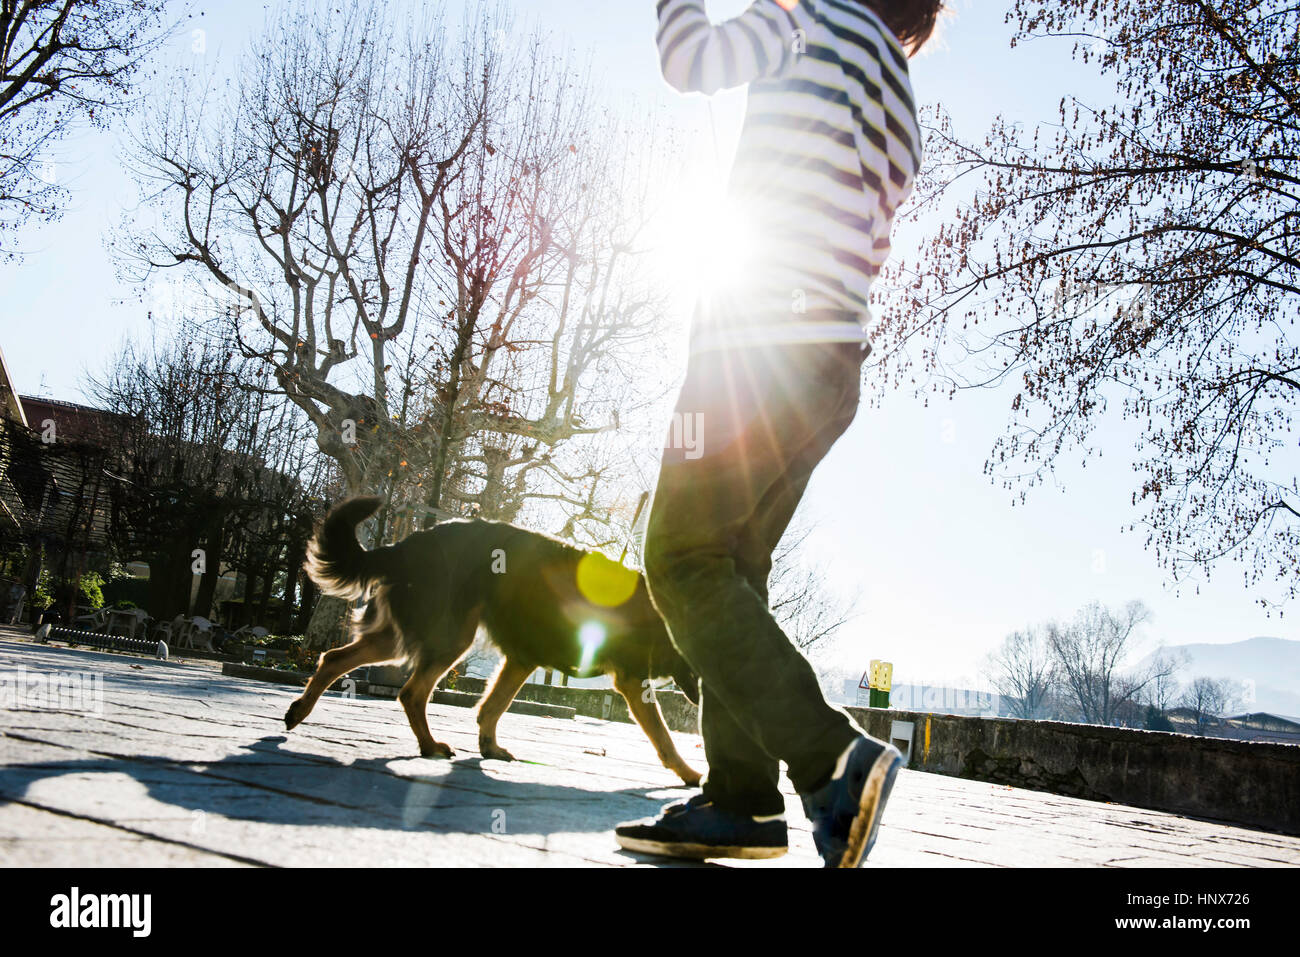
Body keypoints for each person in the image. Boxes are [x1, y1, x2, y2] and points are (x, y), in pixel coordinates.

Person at [616, 0, 943, 867]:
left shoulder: (807, 18)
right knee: (734, 571)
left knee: (680, 559)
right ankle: (742, 800)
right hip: (833, 363)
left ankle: (832, 762)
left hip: (755, 345)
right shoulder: (903, 97)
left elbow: (689, 59)